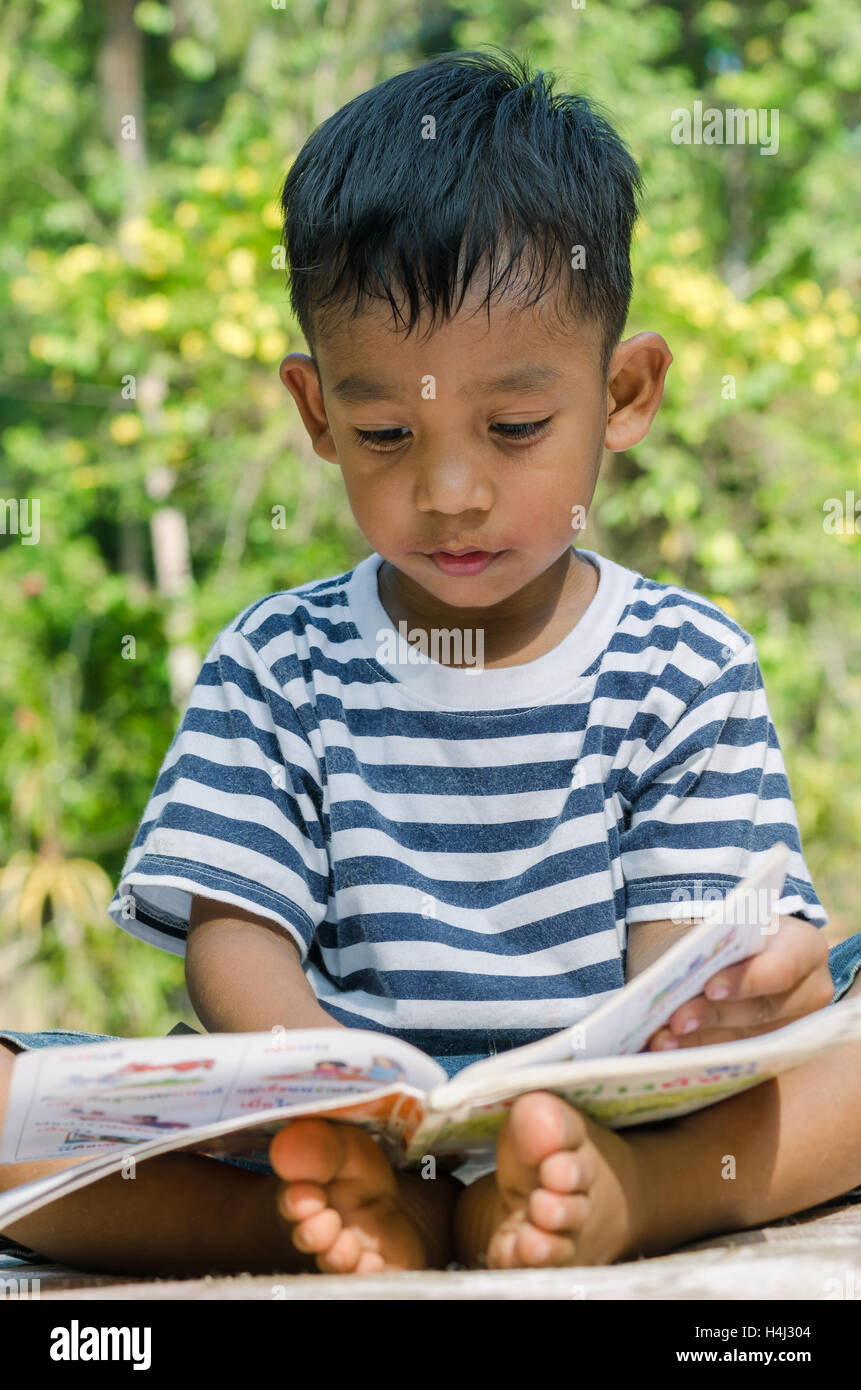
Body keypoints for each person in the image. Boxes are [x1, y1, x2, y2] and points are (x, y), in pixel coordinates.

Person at [0, 49, 854, 1276]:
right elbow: (235, 944)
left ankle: (635, 1195)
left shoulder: (682, 660)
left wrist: (739, 1001)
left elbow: (686, 951)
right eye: (387, 434)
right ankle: (330, 1212)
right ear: (314, 414)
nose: (450, 491)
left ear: (625, 391)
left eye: (514, 429)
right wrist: (337, 1092)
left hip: (619, 1115)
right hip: (324, 1121)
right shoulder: (280, 663)